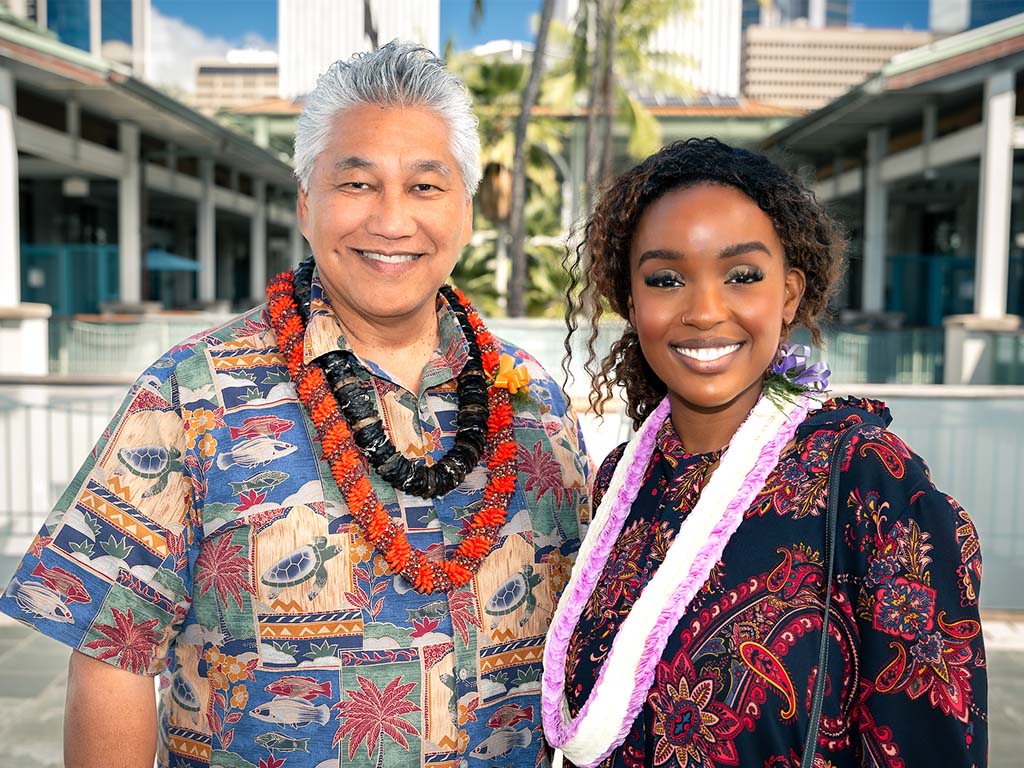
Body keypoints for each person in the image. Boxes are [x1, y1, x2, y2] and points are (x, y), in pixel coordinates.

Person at [1, 42, 589, 767]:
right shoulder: (191, 396)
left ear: (465, 212)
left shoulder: (537, 406)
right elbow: (113, 657)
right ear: (307, 203)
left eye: (426, 187)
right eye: (358, 183)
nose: (392, 221)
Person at [542, 138, 987, 767]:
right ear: (631, 302)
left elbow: (931, 740)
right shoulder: (622, 485)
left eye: (742, 276)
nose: (703, 310)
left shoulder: (866, 479)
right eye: (666, 279)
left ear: (788, 293)